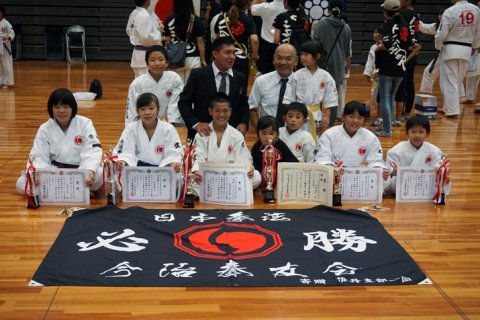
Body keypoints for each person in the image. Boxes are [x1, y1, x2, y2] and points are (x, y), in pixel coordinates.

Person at [16, 88, 103, 194]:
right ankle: (75, 192)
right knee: (21, 183)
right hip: (55, 173)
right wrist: (37, 171)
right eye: (57, 107)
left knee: (99, 174)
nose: (61, 111)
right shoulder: (45, 128)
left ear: (73, 108)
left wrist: (90, 169)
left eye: (66, 107)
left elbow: (93, 149)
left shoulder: (85, 123)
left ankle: (57, 192)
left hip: (80, 171)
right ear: (51, 109)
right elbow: (38, 154)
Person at [178, 37, 249, 140]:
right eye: (227, 52)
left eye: (234, 53)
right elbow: (183, 103)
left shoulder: (240, 77)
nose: (232, 57)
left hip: (231, 135)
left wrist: (244, 123)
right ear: (215, 54)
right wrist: (195, 124)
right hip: (203, 134)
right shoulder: (198, 75)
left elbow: (243, 103)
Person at [192, 93, 261, 196]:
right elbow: (197, 158)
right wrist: (196, 171)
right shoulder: (202, 133)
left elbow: (244, 158)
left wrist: (248, 168)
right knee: (189, 181)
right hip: (209, 178)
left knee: (256, 176)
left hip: (230, 178)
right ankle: (230, 193)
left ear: (231, 111)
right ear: (210, 111)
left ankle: (214, 194)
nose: (221, 115)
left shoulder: (236, 135)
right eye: (217, 111)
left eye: (225, 111)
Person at [114, 93, 183, 172]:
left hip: (162, 170)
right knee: (121, 172)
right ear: (137, 111)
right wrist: (123, 162)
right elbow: (125, 151)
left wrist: (172, 164)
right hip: (137, 170)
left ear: (158, 109)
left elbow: (174, 153)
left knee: (176, 175)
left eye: (151, 108)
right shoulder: (131, 129)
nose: (147, 112)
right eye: (143, 109)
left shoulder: (168, 129)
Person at [314, 101, 387, 176]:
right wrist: (330, 168)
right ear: (343, 117)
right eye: (351, 117)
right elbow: (323, 159)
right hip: (334, 174)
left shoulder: (370, 137)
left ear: (364, 120)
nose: (355, 121)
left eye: (360, 118)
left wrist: (379, 170)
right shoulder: (329, 134)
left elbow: (376, 161)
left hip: (357, 175)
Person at [435, 0, 480, 118]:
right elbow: (478, 31)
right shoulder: (476, 9)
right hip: (466, 49)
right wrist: (475, 46)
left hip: (451, 48)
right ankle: (448, 107)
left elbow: (442, 33)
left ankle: (452, 111)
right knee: (457, 81)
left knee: (449, 82)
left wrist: (438, 45)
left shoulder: (450, 10)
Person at [283, 41, 338, 138]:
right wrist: (292, 117)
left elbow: (329, 101)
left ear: (317, 56)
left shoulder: (326, 77)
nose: (302, 57)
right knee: (297, 142)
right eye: (301, 54)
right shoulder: (296, 76)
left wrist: (326, 119)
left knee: (316, 142)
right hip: (298, 115)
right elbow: (288, 100)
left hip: (316, 116)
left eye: (306, 54)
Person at [375, 0, 412, 137]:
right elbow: (408, 44)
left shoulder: (389, 24)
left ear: (386, 12)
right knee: (390, 97)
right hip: (400, 66)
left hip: (387, 65)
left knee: (385, 98)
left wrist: (379, 47)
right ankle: (387, 126)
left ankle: (387, 130)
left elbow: (387, 43)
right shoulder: (404, 24)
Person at [312, 0, 352, 126]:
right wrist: (346, 69)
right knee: (333, 98)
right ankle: (331, 123)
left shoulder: (321, 24)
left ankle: (317, 121)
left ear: (328, 9)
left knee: (317, 94)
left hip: (322, 65)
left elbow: (315, 45)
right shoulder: (346, 27)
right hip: (339, 67)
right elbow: (347, 52)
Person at [384, 115, 446, 195]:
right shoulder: (395, 151)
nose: (417, 135)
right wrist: (392, 172)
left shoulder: (434, 151)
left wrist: (442, 174)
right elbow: (389, 173)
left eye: (421, 132)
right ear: (407, 132)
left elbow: (438, 171)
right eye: (413, 132)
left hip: (424, 187)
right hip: (402, 188)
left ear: (427, 133)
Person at [125, 45, 184, 127]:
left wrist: (172, 123)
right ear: (147, 63)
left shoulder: (174, 79)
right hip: (143, 124)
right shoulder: (137, 84)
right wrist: (132, 128)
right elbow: (132, 109)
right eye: (152, 60)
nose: (157, 63)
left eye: (161, 59)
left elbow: (175, 103)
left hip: (167, 124)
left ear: (167, 62)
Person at [249, 43, 298, 128]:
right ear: (273, 59)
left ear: (296, 61)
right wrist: (261, 132)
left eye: (288, 59)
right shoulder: (261, 81)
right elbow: (252, 108)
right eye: (279, 58)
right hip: (268, 134)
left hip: (294, 135)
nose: (283, 62)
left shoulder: (301, 83)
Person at [213, 0, 259, 90]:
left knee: (220, 85)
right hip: (240, 59)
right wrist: (255, 54)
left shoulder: (221, 17)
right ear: (247, 5)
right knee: (239, 89)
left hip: (221, 57)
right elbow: (255, 40)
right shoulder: (247, 19)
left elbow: (217, 37)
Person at [164, 0, 206, 83]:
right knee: (191, 86)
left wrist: (167, 57)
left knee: (176, 85)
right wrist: (203, 60)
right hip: (193, 57)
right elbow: (200, 41)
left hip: (175, 57)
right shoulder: (196, 19)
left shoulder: (169, 19)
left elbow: (167, 41)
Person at [251, 115, 299, 187]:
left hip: (280, 180)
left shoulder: (281, 146)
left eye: (271, 133)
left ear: (277, 134)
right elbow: (254, 166)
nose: (267, 137)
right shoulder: (256, 147)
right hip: (262, 179)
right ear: (258, 134)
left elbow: (293, 162)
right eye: (264, 133)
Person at [396, 0, 421, 121]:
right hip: (413, 52)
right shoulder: (415, 15)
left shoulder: (402, 14)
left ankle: (399, 113)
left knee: (402, 83)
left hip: (404, 52)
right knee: (409, 82)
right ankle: (407, 111)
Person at [126, 0, 162, 78]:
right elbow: (146, 37)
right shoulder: (144, 15)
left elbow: (129, 30)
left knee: (139, 83)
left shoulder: (134, 12)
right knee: (145, 83)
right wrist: (159, 32)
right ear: (146, 1)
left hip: (138, 54)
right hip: (143, 55)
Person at [251, 0, 286, 75]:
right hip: (285, 45)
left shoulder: (265, 7)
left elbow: (251, 9)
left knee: (266, 74)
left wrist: (257, 0)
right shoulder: (289, 7)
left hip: (267, 46)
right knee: (284, 73)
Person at [419, 9, 444, 95]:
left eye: (442, 14)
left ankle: (426, 94)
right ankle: (461, 98)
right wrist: (414, 19)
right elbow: (423, 27)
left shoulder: (449, 26)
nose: (440, 16)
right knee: (453, 78)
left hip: (447, 53)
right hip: (446, 54)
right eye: (439, 14)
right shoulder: (436, 26)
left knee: (429, 73)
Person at [363, 26, 383, 127]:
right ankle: (380, 114)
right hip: (375, 76)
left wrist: (378, 72)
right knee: (374, 95)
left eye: (376, 32)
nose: (373, 34)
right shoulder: (373, 47)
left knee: (383, 96)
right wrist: (367, 73)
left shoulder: (387, 46)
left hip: (384, 74)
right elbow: (370, 61)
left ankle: (383, 116)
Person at [0, 6, 15, 89]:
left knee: (6, 64)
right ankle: (1, 81)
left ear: (2, 13)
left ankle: (7, 82)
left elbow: (12, 34)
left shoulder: (6, 23)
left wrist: (8, 37)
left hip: (5, 45)